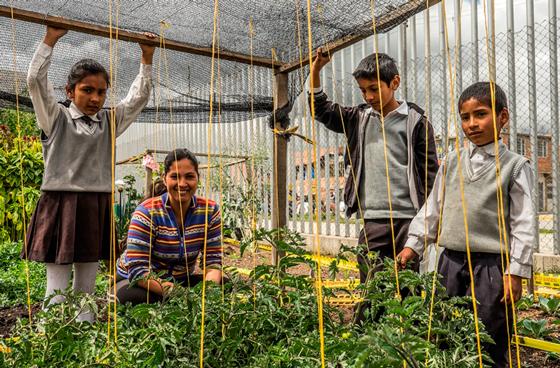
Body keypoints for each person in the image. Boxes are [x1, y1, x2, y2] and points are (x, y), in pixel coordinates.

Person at [397, 82, 534, 368]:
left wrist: (516, 272)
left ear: (503, 117)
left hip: (492, 267)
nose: (472, 124)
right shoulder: (451, 163)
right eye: (465, 117)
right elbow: (432, 209)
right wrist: (413, 245)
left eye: (480, 114)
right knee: (444, 330)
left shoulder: (515, 166)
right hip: (450, 263)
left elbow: (523, 223)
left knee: (489, 335)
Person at [23, 26, 155, 322]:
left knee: (87, 281)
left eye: (101, 92)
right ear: (69, 92)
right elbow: (34, 81)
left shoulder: (109, 120)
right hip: (61, 201)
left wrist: (146, 58)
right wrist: (50, 39)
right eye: (87, 90)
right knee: (56, 284)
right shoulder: (55, 116)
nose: (95, 98)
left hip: (96, 203)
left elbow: (137, 99)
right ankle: (53, 336)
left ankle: (84, 335)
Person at [309, 49, 439, 282]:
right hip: (373, 220)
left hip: (408, 221)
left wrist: (426, 223)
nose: (368, 97)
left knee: (408, 288)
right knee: (371, 288)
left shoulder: (416, 123)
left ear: (395, 82)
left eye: (374, 89)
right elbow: (321, 110)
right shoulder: (358, 119)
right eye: (363, 90)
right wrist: (316, 69)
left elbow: (430, 176)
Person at [115, 149, 223, 305]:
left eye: (189, 177)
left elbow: (213, 262)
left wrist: (208, 296)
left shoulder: (210, 211)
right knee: (131, 298)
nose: (182, 183)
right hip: (136, 281)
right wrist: (183, 296)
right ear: (165, 180)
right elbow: (139, 272)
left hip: (180, 280)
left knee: (225, 288)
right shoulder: (147, 212)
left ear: (198, 179)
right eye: (175, 177)